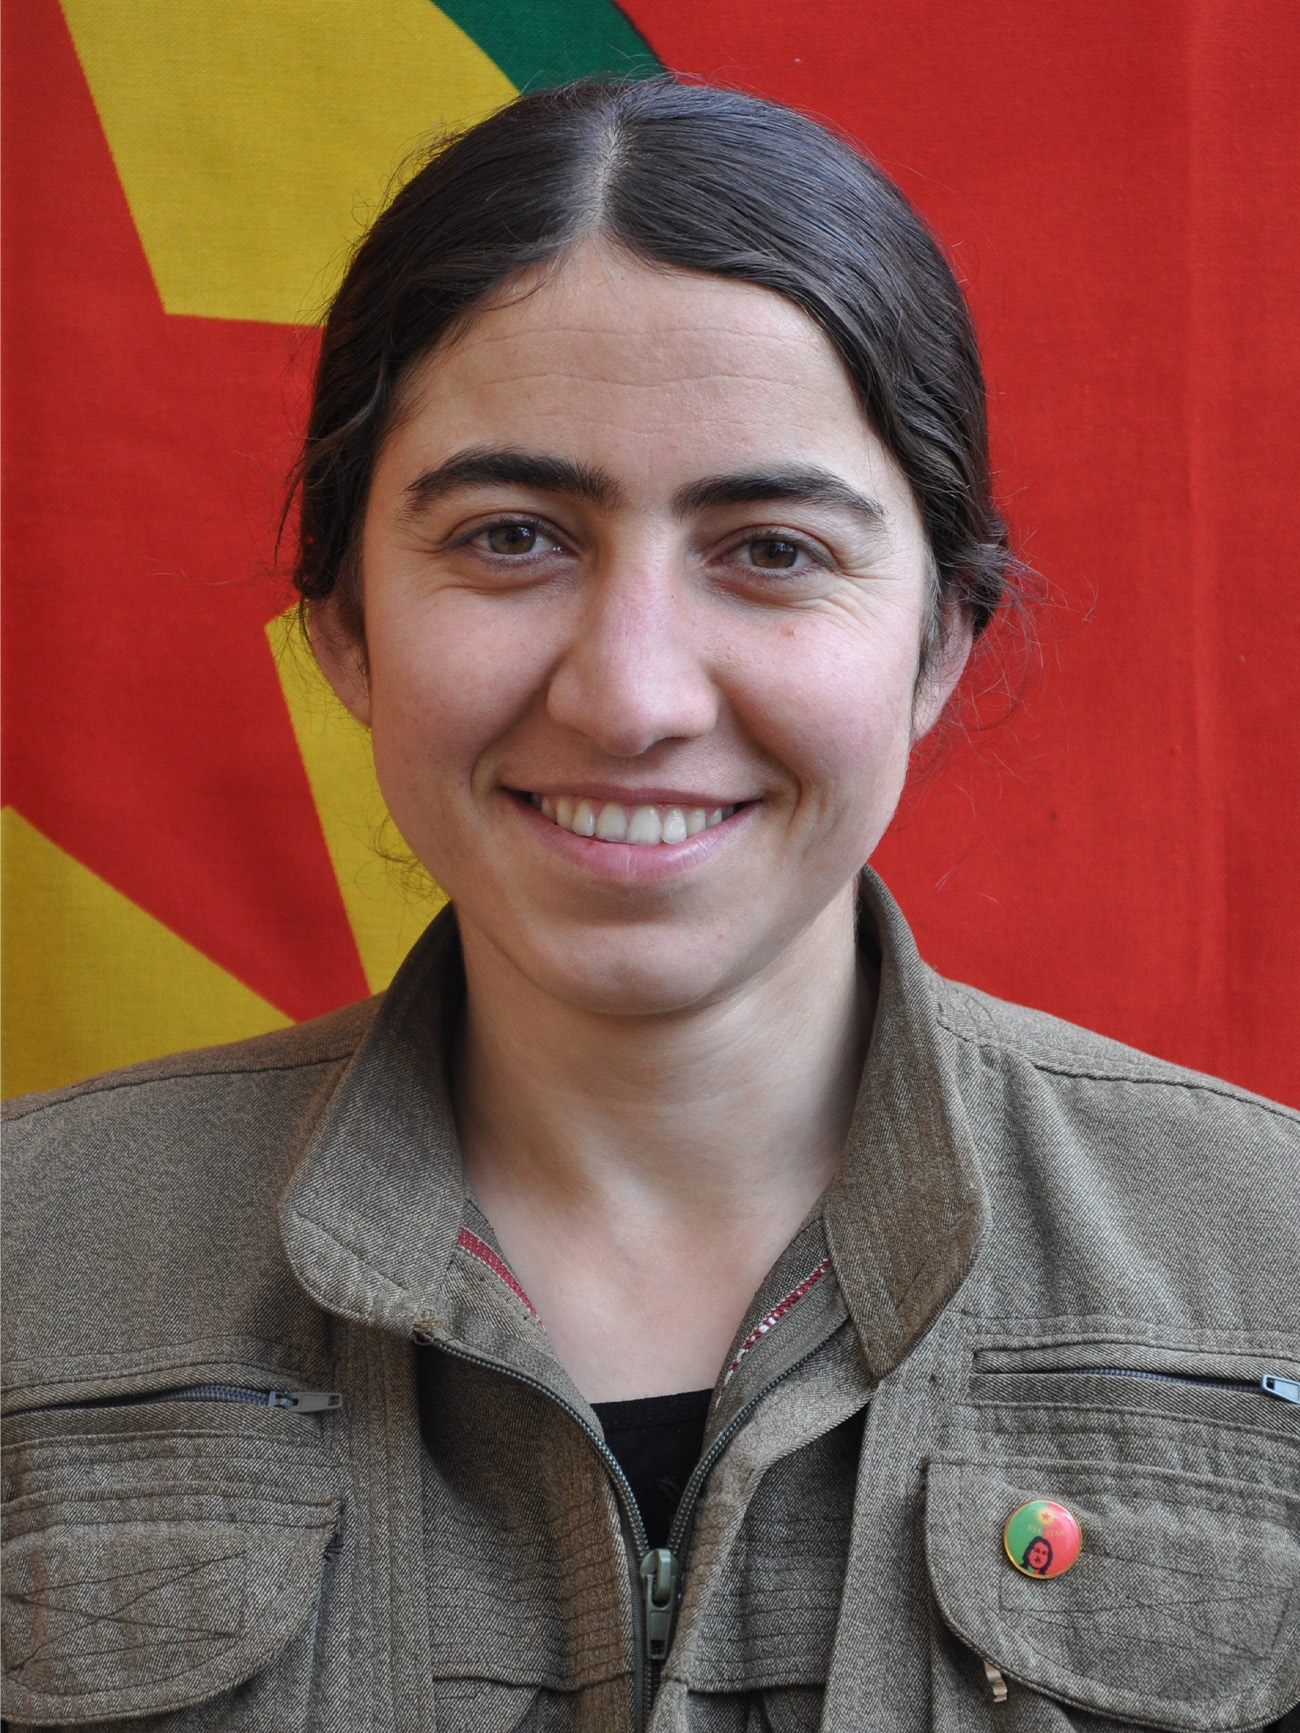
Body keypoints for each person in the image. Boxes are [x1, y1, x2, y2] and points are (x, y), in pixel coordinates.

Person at [3, 77, 1298, 1733]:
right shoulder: (27, 1269)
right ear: (344, 628)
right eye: (513, 536)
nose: (629, 696)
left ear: (940, 641)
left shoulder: (1273, 1266)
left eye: (771, 549)